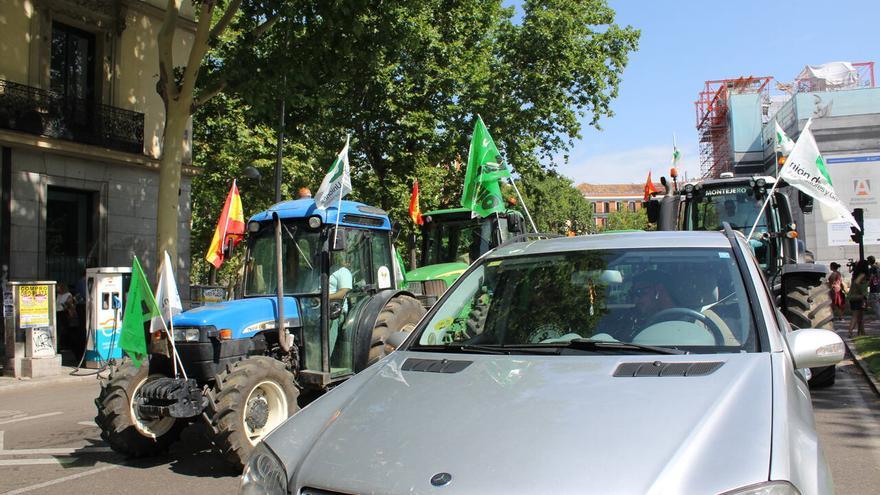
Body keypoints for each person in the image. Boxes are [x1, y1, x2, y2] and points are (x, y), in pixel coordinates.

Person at [328, 252, 353, 360]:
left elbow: (343, 292)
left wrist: (323, 297)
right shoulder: (320, 272)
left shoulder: (343, 272)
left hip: (334, 311)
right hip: (317, 308)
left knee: (327, 338)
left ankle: (325, 361)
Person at [848, 260, 869, 337]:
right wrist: (862, 292)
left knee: (859, 316)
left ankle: (861, 332)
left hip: (853, 297)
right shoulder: (862, 275)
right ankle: (850, 331)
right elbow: (857, 283)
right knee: (856, 316)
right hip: (858, 297)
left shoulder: (855, 274)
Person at [55, 283, 76, 351]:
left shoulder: (68, 294)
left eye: (58, 287)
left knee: (63, 329)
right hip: (57, 312)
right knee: (59, 329)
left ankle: (64, 345)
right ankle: (59, 345)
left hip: (63, 313)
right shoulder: (58, 295)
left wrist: (65, 306)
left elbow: (69, 304)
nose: (57, 288)